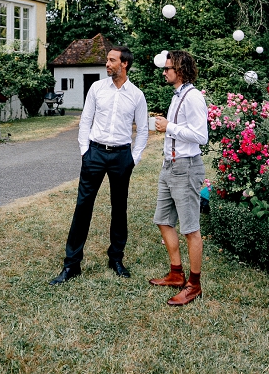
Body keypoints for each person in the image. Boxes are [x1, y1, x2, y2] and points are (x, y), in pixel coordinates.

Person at [49, 46, 149, 285]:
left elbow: (143, 130)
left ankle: (116, 258)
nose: (107, 64)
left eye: (111, 60)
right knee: (82, 207)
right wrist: (85, 151)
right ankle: (72, 265)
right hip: (94, 153)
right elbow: (85, 121)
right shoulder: (96, 88)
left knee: (119, 208)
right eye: (107, 60)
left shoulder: (136, 95)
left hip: (121, 156)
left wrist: (134, 158)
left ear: (124, 64)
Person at [150, 50, 209, 306]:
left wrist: (169, 127)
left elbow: (201, 136)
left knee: (190, 228)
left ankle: (193, 285)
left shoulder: (193, 98)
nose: (164, 72)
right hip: (169, 166)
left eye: (168, 68)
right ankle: (176, 273)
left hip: (186, 167)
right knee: (163, 220)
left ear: (181, 70)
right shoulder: (177, 97)